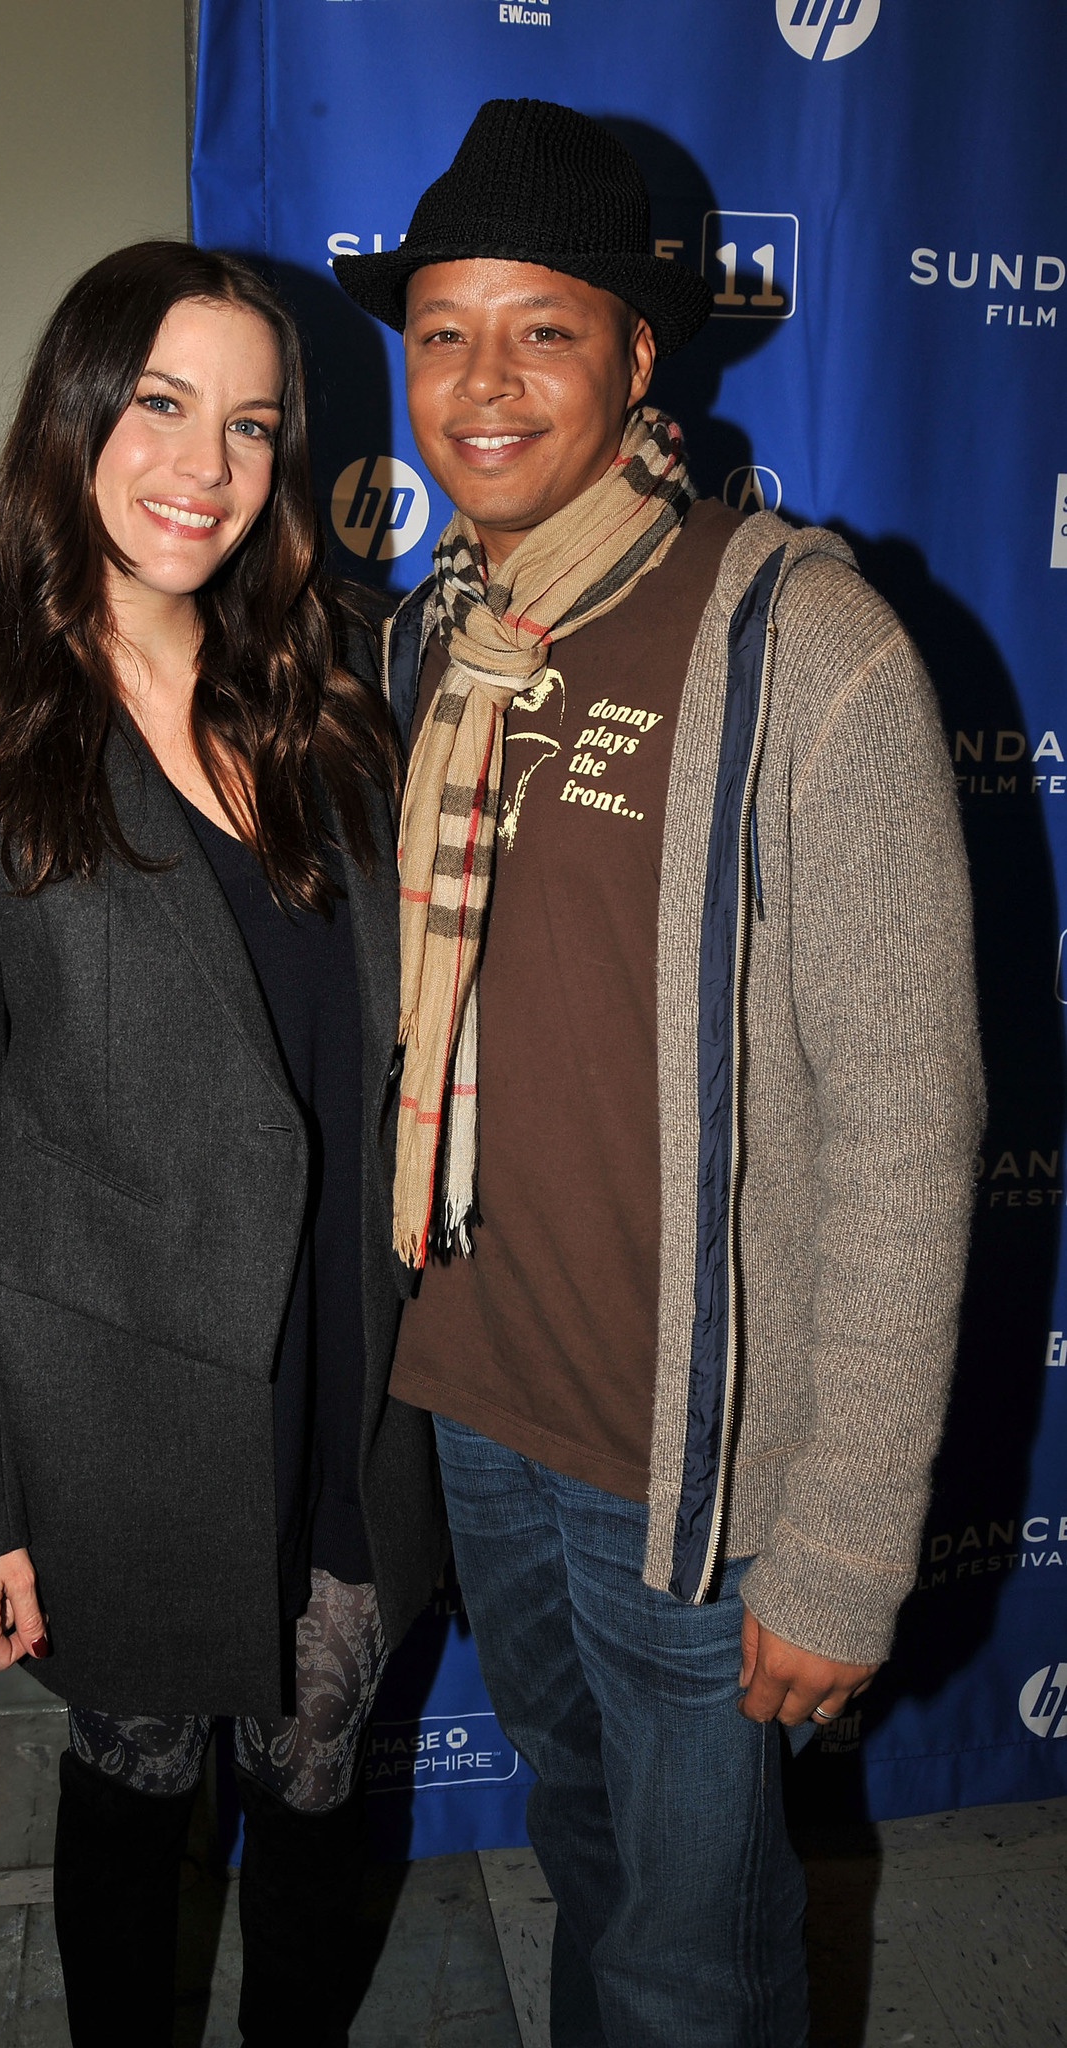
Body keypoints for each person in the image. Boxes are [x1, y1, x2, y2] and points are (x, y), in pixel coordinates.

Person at [333, 99, 983, 2047]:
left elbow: (901, 1123)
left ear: (639, 353)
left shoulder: (805, 638)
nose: (482, 381)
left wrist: (848, 1541)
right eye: (443, 329)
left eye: (543, 327)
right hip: (476, 1392)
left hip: (690, 1457)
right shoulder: (427, 641)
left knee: (701, 1952)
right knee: (591, 1851)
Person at [0, 241, 447, 2048]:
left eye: (251, 426)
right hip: (115, 1398)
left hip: (353, 1366)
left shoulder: (337, 702)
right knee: (133, 1797)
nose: (202, 464)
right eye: (161, 406)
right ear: (77, 417)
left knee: (323, 1793)